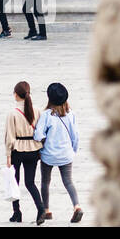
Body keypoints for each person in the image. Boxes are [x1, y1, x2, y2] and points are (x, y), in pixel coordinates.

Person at [33, 82, 81, 225]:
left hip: (48, 155)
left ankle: (47, 210)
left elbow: (38, 135)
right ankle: (77, 206)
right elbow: (75, 136)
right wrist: (73, 150)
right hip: (66, 154)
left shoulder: (47, 115)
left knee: (45, 182)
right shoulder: (71, 114)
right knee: (68, 182)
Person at [4, 80, 43, 224]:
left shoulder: (12, 113)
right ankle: (41, 209)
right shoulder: (37, 110)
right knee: (30, 182)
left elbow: (9, 137)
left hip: (18, 150)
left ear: (16, 95)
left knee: (15, 182)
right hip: (33, 149)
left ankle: (17, 213)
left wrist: (8, 155)